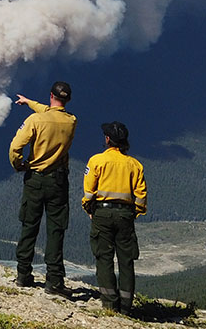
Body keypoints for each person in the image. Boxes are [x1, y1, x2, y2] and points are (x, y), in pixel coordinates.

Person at [8, 81, 76, 296]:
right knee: (56, 230)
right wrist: (29, 102)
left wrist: (18, 165)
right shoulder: (71, 121)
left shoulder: (36, 120)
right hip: (58, 182)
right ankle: (54, 281)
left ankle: (23, 274)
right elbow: (52, 113)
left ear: (51, 95)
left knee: (29, 224)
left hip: (35, 179)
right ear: (67, 99)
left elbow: (15, 147)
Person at [82, 121, 147, 313]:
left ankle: (109, 302)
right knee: (126, 260)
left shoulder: (96, 161)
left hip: (102, 212)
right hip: (125, 214)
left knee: (104, 257)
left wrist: (89, 209)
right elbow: (141, 195)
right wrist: (135, 213)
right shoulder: (135, 165)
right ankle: (126, 305)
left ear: (107, 139)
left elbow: (88, 191)